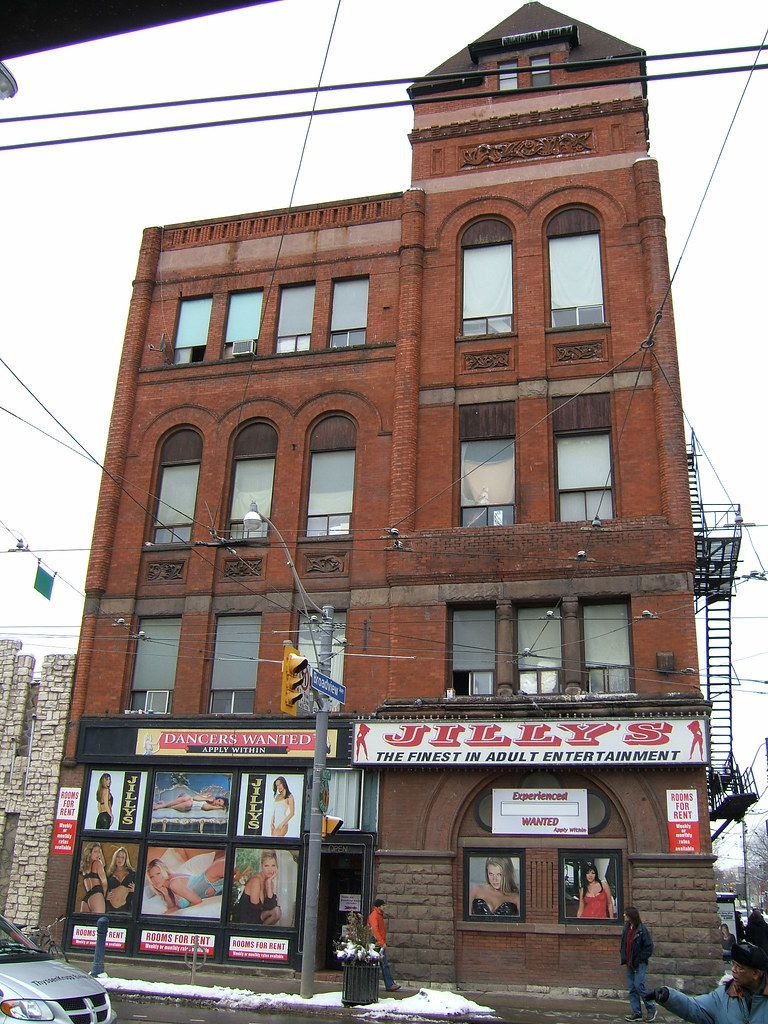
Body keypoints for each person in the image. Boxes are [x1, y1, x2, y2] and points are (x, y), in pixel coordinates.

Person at [652, 941, 768, 1024]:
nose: (733, 969)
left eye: (740, 967)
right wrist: (668, 996)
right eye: (733, 964)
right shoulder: (722, 996)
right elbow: (694, 1007)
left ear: (755, 973)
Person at [146, 854, 226, 912]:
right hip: (214, 885)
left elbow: (197, 901)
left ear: (165, 870)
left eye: (158, 874)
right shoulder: (168, 887)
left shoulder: (174, 884)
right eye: (152, 877)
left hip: (213, 874)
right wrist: (166, 894)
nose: (155, 879)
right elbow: (172, 907)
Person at [620, 906, 656, 1022]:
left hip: (639, 963)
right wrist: (623, 955)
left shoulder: (641, 930)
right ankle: (637, 1012)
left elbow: (649, 947)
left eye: (626, 914)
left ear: (631, 916)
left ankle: (651, 1008)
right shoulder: (627, 928)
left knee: (639, 985)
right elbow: (624, 943)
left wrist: (640, 958)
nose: (624, 916)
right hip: (629, 962)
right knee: (632, 988)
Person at [231, 851, 282, 925]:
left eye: (273, 865)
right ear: (262, 866)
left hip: (256, 919)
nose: (270, 869)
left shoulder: (269, 881)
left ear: (277, 867)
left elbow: (271, 906)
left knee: (277, 912)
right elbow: (254, 911)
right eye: (266, 866)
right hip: (245, 920)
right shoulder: (256, 880)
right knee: (276, 912)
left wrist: (268, 883)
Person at [368, 897, 401, 992]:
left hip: (377, 941)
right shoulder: (375, 916)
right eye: (383, 905)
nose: (384, 907)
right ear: (378, 906)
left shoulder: (377, 915)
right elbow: (375, 930)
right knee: (383, 963)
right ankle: (389, 985)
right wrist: (382, 942)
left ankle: (389, 984)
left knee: (380, 963)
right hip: (377, 942)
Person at [106, 846, 136, 912]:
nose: (120, 859)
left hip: (127, 909)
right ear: (115, 858)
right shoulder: (109, 875)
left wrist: (135, 890)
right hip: (111, 910)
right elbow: (104, 890)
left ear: (125, 860)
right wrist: (106, 896)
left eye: (123, 857)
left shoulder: (132, 874)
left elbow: (140, 892)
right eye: (118, 857)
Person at [80, 842, 108, 914]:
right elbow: (104, 882)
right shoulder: (98, 863)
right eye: (95, 852)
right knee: (98, 919)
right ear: (89, 853)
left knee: (83, 920)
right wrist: (104, 895)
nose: (98, 854)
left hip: (86, 898)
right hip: (96, 894)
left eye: (99, 852)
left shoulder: (84, 867)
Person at [153, 791, 229, 813]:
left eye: (219, 805)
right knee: (187, 798)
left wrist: (218, 807)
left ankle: (167, 806)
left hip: (187, 805)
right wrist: (206, 799)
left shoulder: (210, 807)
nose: (217, 803)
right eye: (219, 801)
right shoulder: (208, 795)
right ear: (217, 798)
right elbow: (195, 798)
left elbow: (205, 807)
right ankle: (163, 805)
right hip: (186, 799)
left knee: (189, 803)